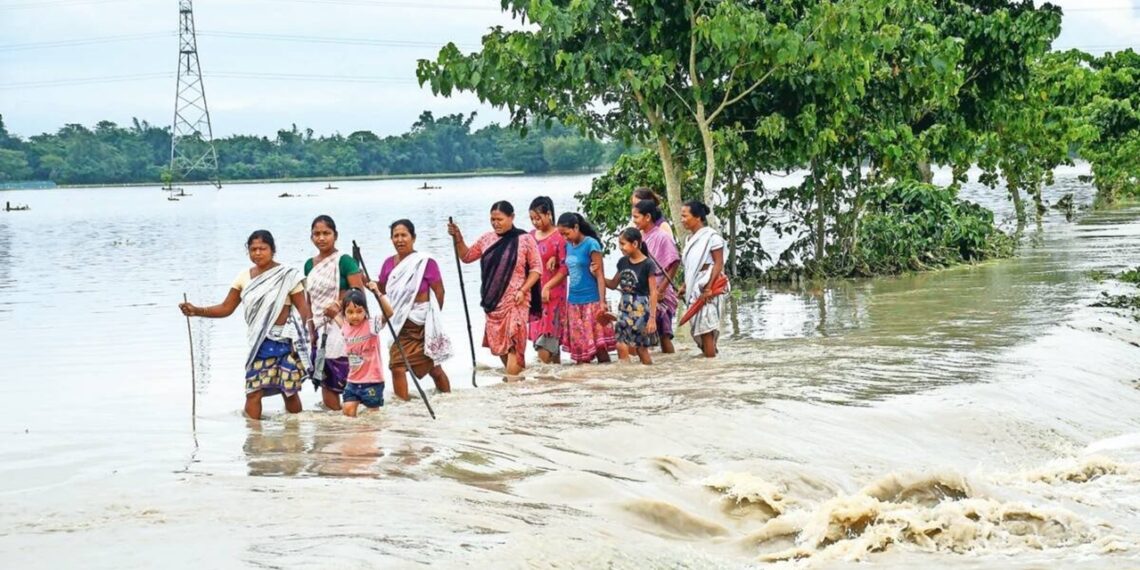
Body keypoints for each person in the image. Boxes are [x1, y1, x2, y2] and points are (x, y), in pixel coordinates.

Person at [179, 230, 315, 420]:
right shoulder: (243, 277)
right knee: (253, 391)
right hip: (258, 344)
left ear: (272, 250)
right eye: (253, 249)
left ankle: (295, 430)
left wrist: (308, 336)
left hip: (285, 341)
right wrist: (197, 311)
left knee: (289, 391)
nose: (258, 253)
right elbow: (226, 308)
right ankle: (253, 433)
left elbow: (303, 308)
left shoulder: (288, 275)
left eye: (262, 248)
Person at [448, 201, 543, 376]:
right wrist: (458, 238)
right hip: (493, 303)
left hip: (516, 301)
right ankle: (516, 382)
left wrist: (523, 290)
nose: (495, 223)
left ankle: (512, 384)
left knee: (515, 345)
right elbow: (467, 256)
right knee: (502, 348)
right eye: (492, 219)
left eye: (499, 219)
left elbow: (537, 269)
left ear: (511, 217)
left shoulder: (525, 239)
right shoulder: (487, 239)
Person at [377, 219, 452, 399]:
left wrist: (432, 319)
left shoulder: (425, 262)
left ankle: (448, 399)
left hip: (422, 324)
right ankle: (403, 405)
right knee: (397, 366)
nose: (399, 240)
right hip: (399, 323)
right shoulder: (388, 264)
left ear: (413, 237)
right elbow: (382, 288)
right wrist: (364, 280)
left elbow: (439, 291)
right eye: (396, 236)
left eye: (404, 235)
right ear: (391, 239)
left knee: (434, 368)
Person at [303, 215, 364, 411]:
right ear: (311, 237)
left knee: (347, 372)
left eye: (326, 233)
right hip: (320, 327)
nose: (321, 238)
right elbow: (309, 300)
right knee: (325, 375)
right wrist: (310, 329)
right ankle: (334, 420)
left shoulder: (344, 261)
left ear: (335, 235)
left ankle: (352, 420)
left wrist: (338, 304)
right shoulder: (309, 265)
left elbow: (358, 292)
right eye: (317, 234)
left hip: (343, 325)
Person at [557, 212, 615, 364]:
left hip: (592, 301)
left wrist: (602, 302)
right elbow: (569, 269)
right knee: (580, 350)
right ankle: (585, 380)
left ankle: (609, 377)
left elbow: (600, 275)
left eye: (567, 233)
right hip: (573, 302)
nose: (565, 237)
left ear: (576, 227)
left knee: (600, 348)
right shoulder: (568, 246)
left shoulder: (591, 244)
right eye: (562, 234)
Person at [680, 201, 729, 358]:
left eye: (685, 216)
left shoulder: (712, 237)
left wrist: (708, 288)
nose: (682, 220)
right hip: (694, 286)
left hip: (708, 286)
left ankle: (710, 365)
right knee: (701, 329)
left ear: (697, 217)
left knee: (706, 329)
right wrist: (685, 286)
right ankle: (711, 358)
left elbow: (718, 263)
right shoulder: (689, 240)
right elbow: (691, 267)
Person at [602, 228, 658, 365]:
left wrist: (652, 318)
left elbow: (653, 292)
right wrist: (597, 275)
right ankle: (625, 374)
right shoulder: (622, 262)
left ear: (635, 244)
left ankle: (650, 372)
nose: (620, 247)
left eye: (623, 244)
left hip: (641, 309)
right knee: (620, 343)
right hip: (624, 307)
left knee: (641, 348)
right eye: (619, 244)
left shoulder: (648, 264)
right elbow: (613, 284)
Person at [632, 199, 681, 354]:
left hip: (661, 292)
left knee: (663, 335)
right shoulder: (639, 238)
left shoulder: (662, 236)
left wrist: (661, 289)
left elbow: (674, 263)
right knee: (641, 333)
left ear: (647, 217)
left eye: (636, 217)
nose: (634, 221)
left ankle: (670, 362)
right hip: (645, 291)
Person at [334, 288, 387, 417]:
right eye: (350, 312)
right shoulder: (345, 327)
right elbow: (336, 316)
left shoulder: (372, 325)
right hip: (353, 380)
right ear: (344, 313)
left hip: (372, 380)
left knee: (372, 417)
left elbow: (389, 313)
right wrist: (334, 309)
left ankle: (369, 431)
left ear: (365, 311)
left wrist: (377, 293)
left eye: (359, 311)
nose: (355, 316)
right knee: (348, 411)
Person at [527, 196, 568, 364]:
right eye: (532, 219)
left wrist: (548, 286)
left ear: (549, 214)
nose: (535, 222)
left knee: (546, 343)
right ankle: (555, 378)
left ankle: (543, 378)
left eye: (538, 218)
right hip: (535, 296)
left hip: (553, 296)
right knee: (549, 348)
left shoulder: (560, 236)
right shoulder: (530, 236)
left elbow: (565, 268)